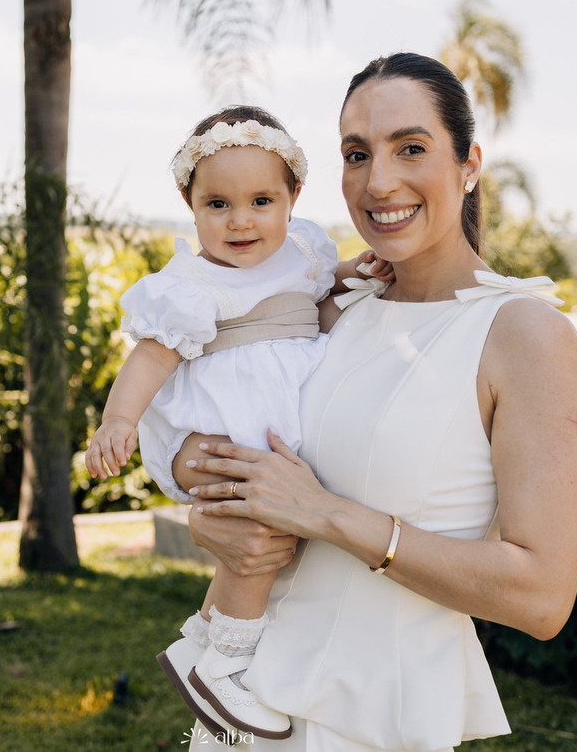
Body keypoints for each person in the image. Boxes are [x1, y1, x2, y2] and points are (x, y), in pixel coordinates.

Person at [171, 53, 577, 751]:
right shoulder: (336, 307)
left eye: (411, 148)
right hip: (249, 701)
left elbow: (542, 595)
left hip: (375, 716)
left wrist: (330, 514)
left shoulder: (525, 334)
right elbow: (214, 405)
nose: (379, 181)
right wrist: (203, 494)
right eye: (356, 153)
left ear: (468, 164)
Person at [85, 105, 393, 741]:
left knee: (279, 537)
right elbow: (149, 358)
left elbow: (320, 288)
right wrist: (118, 420)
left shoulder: (303, 253)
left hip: (282, 435)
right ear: (190, 204)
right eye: (218, 204)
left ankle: (202, 640)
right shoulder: (190, 285)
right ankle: (226, 665)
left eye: (260, 200)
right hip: (238, 436)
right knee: (257, 542)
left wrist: (358, 272)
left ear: (292, 199)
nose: (241, 220)